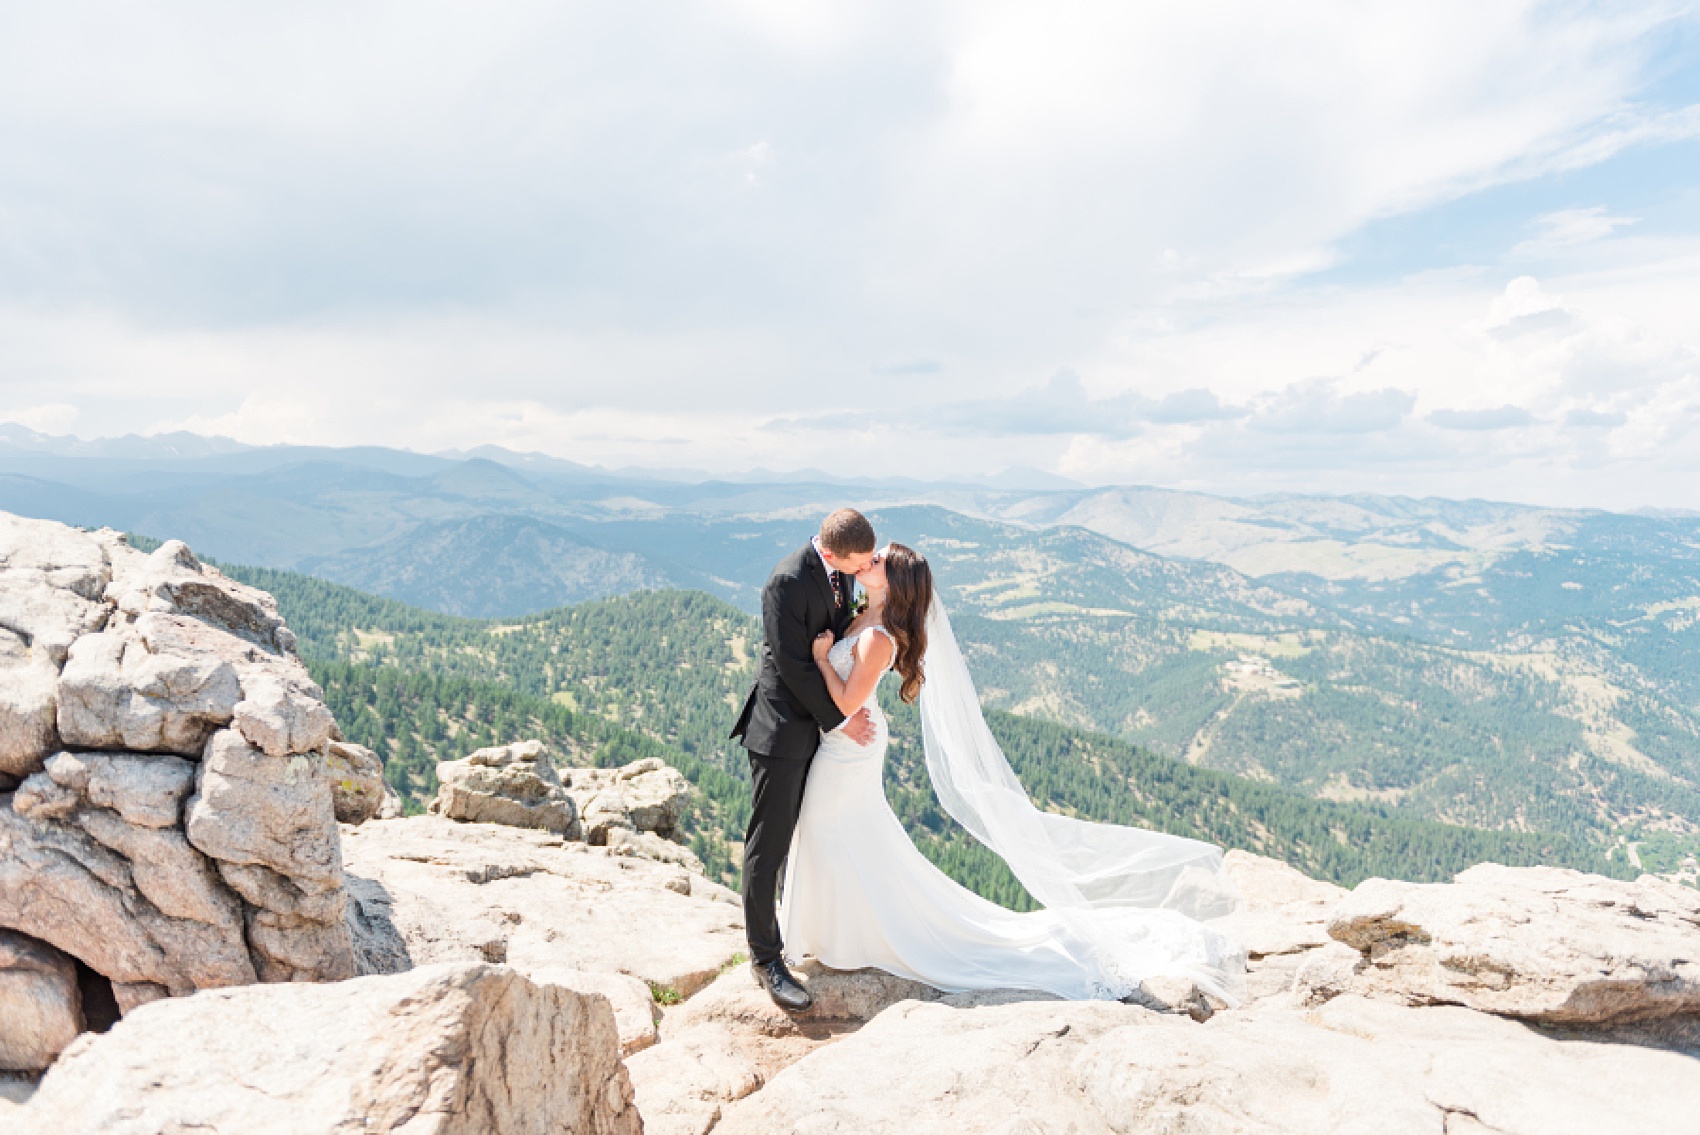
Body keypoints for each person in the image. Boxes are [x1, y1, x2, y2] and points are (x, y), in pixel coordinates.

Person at [780, 542, 1245, 1005]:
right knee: (846, 833)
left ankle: (855, 936)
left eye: (879, 560)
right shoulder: (862, 612)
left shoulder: (879, 636)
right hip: (843, 741)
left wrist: (821, 658)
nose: (869, 560)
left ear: (895, 582)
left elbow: (845, 703)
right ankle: (842, 934)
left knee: (831, 827)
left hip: (849, 746)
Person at [730, 508, 879, 1010]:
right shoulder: (786, 582)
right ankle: (765, 958)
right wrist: (840, 719)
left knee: (812, 836)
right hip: (782, 732)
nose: (861, 573)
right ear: (830, 551)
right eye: (856, 566)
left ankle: (807, 932)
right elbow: (792, 666)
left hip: (821, 732)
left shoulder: (845, 574)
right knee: (768, 843)